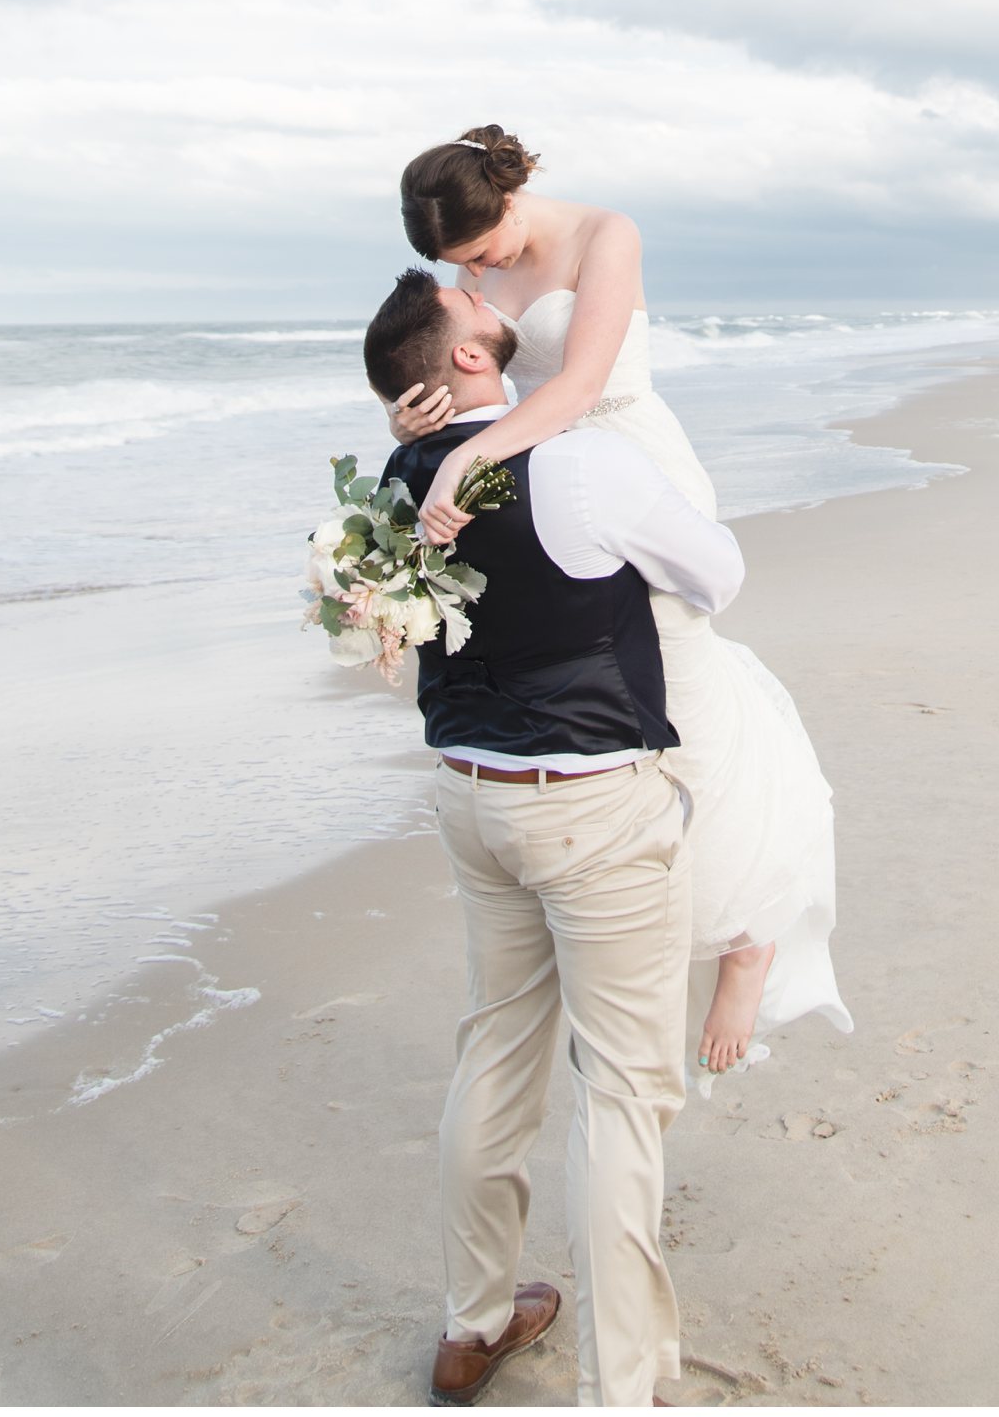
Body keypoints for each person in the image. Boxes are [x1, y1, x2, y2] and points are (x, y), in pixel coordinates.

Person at [388, 124, 850, 1081]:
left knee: (682, 698)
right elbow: (465, 370)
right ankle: (622, 936)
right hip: (535, 479)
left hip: (626, 462)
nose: (474, 275)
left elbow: (584, 381)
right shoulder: (469, 275)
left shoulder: (608, 236)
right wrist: (414, 424)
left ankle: (748, 933)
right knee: (603, 704)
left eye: (479, 252)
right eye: (456, 266)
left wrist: (474, 455)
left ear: (509, 202)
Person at [364, 269, 743, 1409]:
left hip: (471, 797)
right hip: (590, 806)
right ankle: (620, 1386)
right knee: (624, 1095)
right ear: (473, 360)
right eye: (471, 302)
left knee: (495, 1054)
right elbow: (718, 575)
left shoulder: (400, 473)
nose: (495, 299)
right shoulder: (581, 461)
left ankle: (473, 1321)